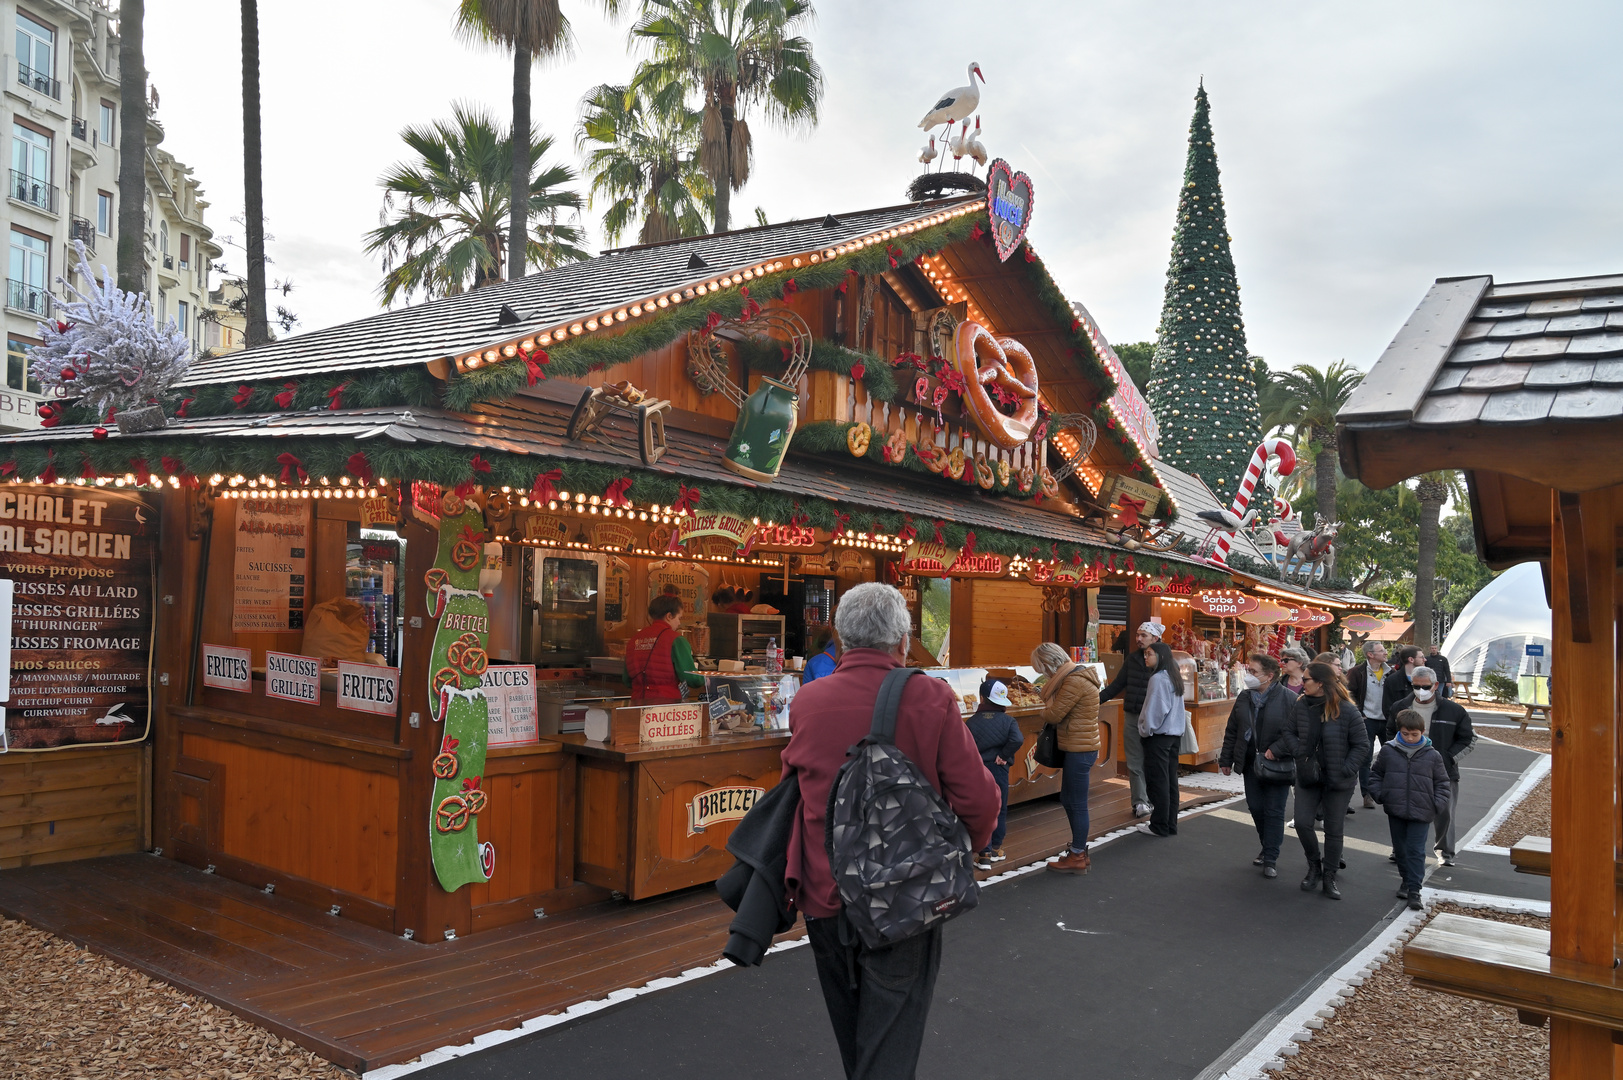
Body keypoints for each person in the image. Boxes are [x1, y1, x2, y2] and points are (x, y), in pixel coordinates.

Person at [782, 583, 1000, 1080]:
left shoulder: (808, 701)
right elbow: (978, 799)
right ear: (902, 641)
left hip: (824, 893)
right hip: (904, 891)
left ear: (840, 638)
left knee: (854, 1040)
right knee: (890, 1048)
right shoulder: (929, 695)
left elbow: (793, 795)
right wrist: (969, 849)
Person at [1291, 662, 1371, 899]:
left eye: (1306, 680)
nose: (1302, 683)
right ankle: (1314, 865)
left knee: (1334, 830)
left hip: (1338, 780)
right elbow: (1288, 732)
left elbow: (1362, 745)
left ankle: (1329, 875)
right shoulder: (1301, 705)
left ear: (1320, 683)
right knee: (1303, 823)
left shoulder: (1347, 710)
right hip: (1308, 775)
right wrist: (1300, 753)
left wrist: (1346, 769)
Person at [1384, 666, 1475, 867]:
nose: (1420, 690)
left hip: (1442, 771)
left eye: (1425, 686)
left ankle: (1445, 851)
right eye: (1416, 686)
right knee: (1404, 810)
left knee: (1444, 812)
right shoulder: (1400, 706)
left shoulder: (1454, 710)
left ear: (1435, 685)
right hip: (1406, 770)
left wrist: (1448, 758)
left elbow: (1468, 739)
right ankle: (1400, 849)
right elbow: (1390, 732)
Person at [1219, 652, 1298, 878]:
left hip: (1277, 764)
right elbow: (1233, 729)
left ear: (1269, 676)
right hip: (1251, 762)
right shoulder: (1244, 697)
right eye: (1249, 671)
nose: (1249, 676)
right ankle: (1267, 845)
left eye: (1254, 672)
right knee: (1255, 807)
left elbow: (1296, 733)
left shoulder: (1288, 699)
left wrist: (1278, 749)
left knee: (1274, 810)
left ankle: (1271, 856)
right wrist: (1226, 759)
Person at [1369, 708, 1452, 910]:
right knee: (1401, 849)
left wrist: (1437, 804)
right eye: (1405, 734)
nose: (1410, 738)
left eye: (1414, 734)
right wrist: (1381, 795)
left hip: (1422, 811)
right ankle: (1406, 880)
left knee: (1415, 850)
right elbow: (1375, 775)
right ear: (1399, 731)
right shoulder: (1389, 751)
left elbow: (1442, 782)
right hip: (1396, 809)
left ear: (1422, 732)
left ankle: (1414, 889)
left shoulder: (1432, 755)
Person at [1031, 642, 1103, 875]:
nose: (1043, 674)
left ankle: (1077, 855)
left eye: (1042, 668)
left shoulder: (1073, 681)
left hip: (1079, 750)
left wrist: (1038, 709)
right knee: (1069, 799)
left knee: (1076, 802)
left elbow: (1054, 714)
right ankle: (1077, 851)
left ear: (1049, 663)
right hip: (1080, 747)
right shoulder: (1074, 676)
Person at [1099, 620, 1162, 818]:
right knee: (1134, 760)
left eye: (1144, 635)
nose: (1138, 638)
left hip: (1155, 718)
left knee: (1153, 761)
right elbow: (1117, 685)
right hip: (1132, 715)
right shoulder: (1132, 659)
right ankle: (1140, 802)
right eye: (1137, 634)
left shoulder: (1164, 661)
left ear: (1155, 638)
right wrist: (1095, 699)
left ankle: (1155, 800)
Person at [967, 679, 1026, 870]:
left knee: (982, 809)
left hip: (977, 771)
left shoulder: (971, 722)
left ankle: (983, 853)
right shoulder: (1008, 721)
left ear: (982, 698)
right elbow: (1017, 739)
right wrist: (1003, 755)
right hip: (999, 770)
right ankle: (996, 849)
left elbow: (964, 747)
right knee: (999, 808)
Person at [1138, 640, 1188, 837]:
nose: (1145, 657)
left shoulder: (1158, 678)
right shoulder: (1173, 676)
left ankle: (1158, 825)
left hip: (1158, 736)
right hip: (1173, 736)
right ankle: (1169, 824)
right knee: (1169, 782)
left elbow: (1156, 710)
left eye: (1149, 653)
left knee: (1158, 782)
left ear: (1160, 656)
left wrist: (1144, 729)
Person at [626, 595, 707, 700]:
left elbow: (627, 679)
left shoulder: (634, 640)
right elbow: (691, 678)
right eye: (679, 618)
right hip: (667, 705)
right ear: (669, 616)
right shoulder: (676, 640)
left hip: (637, 702)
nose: (679, 623)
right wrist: (707, 679)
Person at [1347, 642, 1389, 809]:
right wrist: (1359, 713)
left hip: (1387, 720)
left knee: (1390, 757)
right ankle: (1367, 794)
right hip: (1367, 719)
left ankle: (1388, 791)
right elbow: (1350, 694)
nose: (1386, 652)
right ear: (1370, 654)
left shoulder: (1391, 672)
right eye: (1381, 650)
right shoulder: (1356, 672)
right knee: (1366, 757)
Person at [1382, 645, 1424, 724]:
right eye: (1421, 657)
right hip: (1402, 727)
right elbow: (1387, 707)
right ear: (1411, 659)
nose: (1424, 660)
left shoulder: (1427, 679)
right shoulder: (1392, 680)